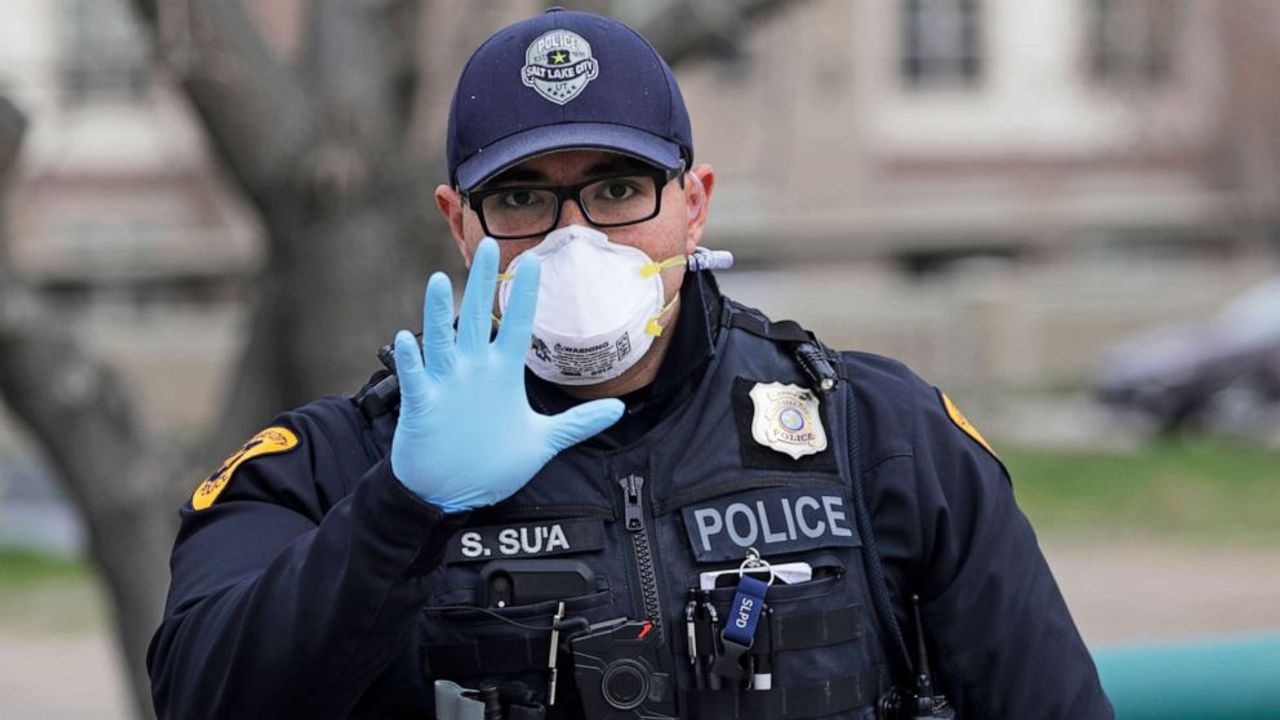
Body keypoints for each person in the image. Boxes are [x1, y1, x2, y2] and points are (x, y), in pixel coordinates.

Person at [148, 8, 1113, 719]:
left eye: (617, 190)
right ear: (459, 224)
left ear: (693, 204)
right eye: (522, 199)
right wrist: (401, 512)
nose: (575, 238)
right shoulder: (330, 468)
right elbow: (203, 696)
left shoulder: (881, 438)